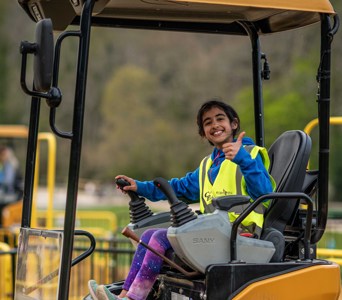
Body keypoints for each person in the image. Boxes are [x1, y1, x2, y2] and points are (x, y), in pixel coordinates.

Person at [88, 99, 276, 300]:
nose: (215, 125)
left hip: (240, 235)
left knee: (160, 238)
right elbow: (179, 188)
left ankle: (134, 298)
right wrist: (140, 187)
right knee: (149, 235)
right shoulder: (208, 165)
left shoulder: (249, 154)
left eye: (220, 119)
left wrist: (243, 160)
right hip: (214, 234)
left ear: (234, 124)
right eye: (208, 122)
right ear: (204, 133)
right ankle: (124, 295)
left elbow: (265, 196)